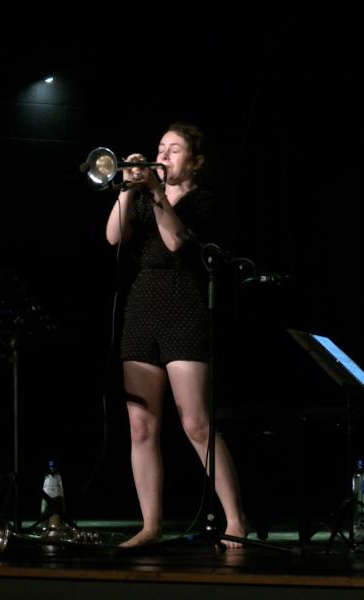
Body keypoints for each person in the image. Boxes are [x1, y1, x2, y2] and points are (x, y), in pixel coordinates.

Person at [105, 123, 247, 548]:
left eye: (175, 150)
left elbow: (175, 242)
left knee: (195, 422)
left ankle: (236, 520)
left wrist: (154, 193)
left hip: (185, 307)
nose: (163, 156)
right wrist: (127, 189)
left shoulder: (204, 201)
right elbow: (114, 236)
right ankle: (151, 525)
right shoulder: (147, 198)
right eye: (160, 148)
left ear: (197, 162)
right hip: (143, 306)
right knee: (140, 425)